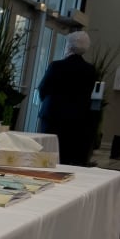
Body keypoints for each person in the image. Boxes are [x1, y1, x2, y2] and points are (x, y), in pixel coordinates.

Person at [37, 30, 97, 166]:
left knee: (48, 154)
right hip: (77, 119)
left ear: (69, 47)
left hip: (53, 117)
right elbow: (88, 93)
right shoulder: (90, 70)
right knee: (68, 156)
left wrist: (47, 102)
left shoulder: (56, 66)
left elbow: (43, 89)